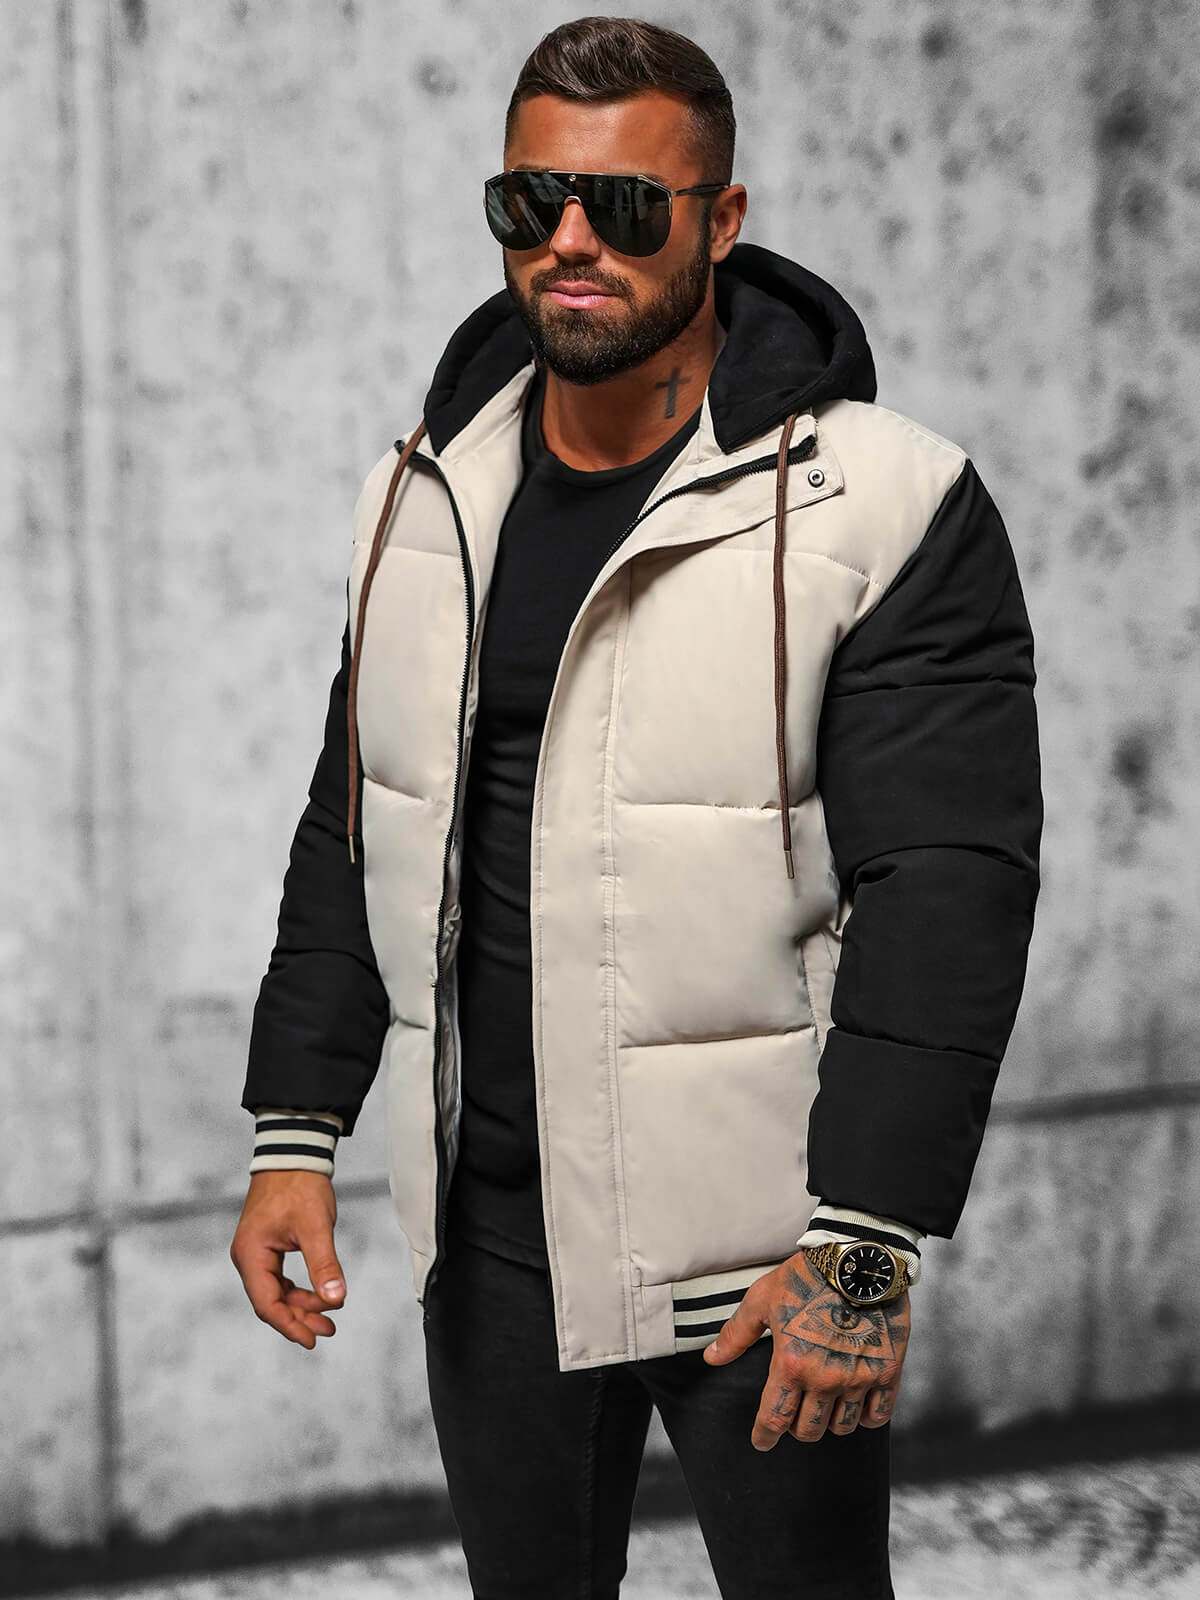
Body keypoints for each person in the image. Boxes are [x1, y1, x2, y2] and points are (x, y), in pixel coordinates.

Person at [229, 17, 1042, 1599]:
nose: (572, 241)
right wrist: (293, 1129)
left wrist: (864, 1243)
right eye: (531, 203)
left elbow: (947, 885)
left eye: (625, 206)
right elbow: (361, 818)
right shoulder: (424, 493)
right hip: (492, 1242)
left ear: (721, 222)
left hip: (763, 1249)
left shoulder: (884, 504)